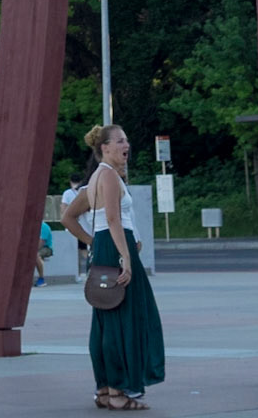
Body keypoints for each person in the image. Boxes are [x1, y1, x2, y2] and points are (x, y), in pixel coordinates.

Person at [65, 124, 166, 412]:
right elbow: (113, 219)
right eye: (120, 141)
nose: (126, 145)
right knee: (126, 319)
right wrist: (125, 256)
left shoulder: (97, 177)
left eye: (127, 140)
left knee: (106, 320)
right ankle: (119, 391)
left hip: (105, 247)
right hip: (115, 248)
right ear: (105, 147)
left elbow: (69, 217)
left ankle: (105, 390)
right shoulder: (108, 175)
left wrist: (94, 243)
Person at [35, 212, 54, 286]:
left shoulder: (44, 227)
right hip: (36, 248)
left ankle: (41, 279)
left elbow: (41, 243)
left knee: (35, 256)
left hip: (46, 248)